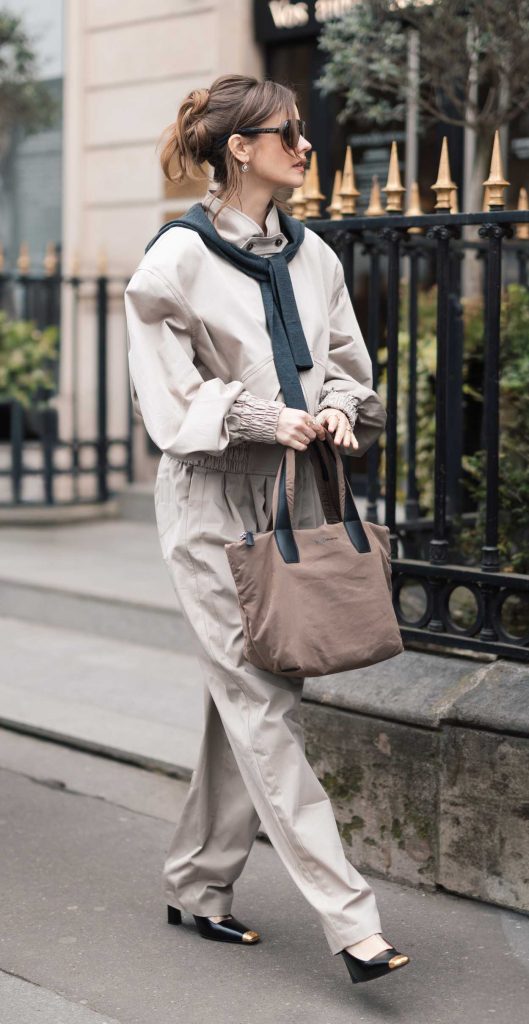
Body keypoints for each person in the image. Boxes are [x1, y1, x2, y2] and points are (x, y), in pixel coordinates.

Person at [124, 73, 410, 987]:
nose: (305, 146)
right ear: (239, 147)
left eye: (303, 134)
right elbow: (168, 393)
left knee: (242, 697)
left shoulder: (313, 255)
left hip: (293, 497)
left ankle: (197, 885)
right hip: (212, 495)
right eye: (289, 133)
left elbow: (343, 364)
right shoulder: (173, 260)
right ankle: (350, 921)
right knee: (264, 707)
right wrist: (258, 417)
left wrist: (330, 409)